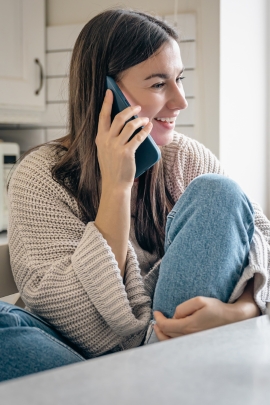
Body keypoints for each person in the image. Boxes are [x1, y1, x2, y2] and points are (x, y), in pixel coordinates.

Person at [1, 8, 269, 381]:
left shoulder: (185, 157)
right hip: (85, 358)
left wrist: (243, 311)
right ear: (105, 93)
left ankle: (144, 384)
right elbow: (83, 324)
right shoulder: (40, 176)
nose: (180, 101)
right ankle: (148, 385)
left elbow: (262, 239)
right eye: (159, 84)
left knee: (218, 193)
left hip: (159, 355)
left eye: (179, 79)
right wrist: (117, 185)